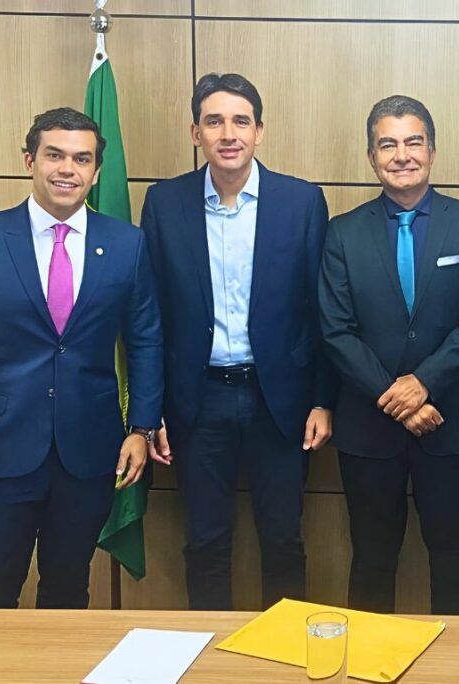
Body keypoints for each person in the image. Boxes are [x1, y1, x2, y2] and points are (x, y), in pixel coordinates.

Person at [0, 107, 164, 609]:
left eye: (82, 159)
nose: (67, 169)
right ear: (29, 159)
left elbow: (145, 341)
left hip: (89, 455)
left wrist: (141, 429)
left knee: (69, 592)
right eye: (54, 155)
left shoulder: (126, 245)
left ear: (97, 171)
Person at [140, 73, 335, 610]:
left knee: (283, 539)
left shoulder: (299, 202)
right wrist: (149, 410)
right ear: (195, 132)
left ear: (260, 131)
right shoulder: (165, 202)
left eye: (241, 121)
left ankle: (291, 656)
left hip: (282, 400)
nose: (229, 133)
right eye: (214, 121)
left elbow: (321, 313)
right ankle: (208, 656)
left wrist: (322, 398)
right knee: (204, 542)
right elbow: (149, 316)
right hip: (196, 400)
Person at [319, 95, 459, 615]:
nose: (402, 154)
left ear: (433, 150)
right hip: (368, 428)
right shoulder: (343, 232)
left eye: (413, 142)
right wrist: (395, 395)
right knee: (372, 560)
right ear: (372, 157)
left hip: (451, 422)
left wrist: (424, 383)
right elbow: (335, 330)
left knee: (453, 559)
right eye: (388, 144)